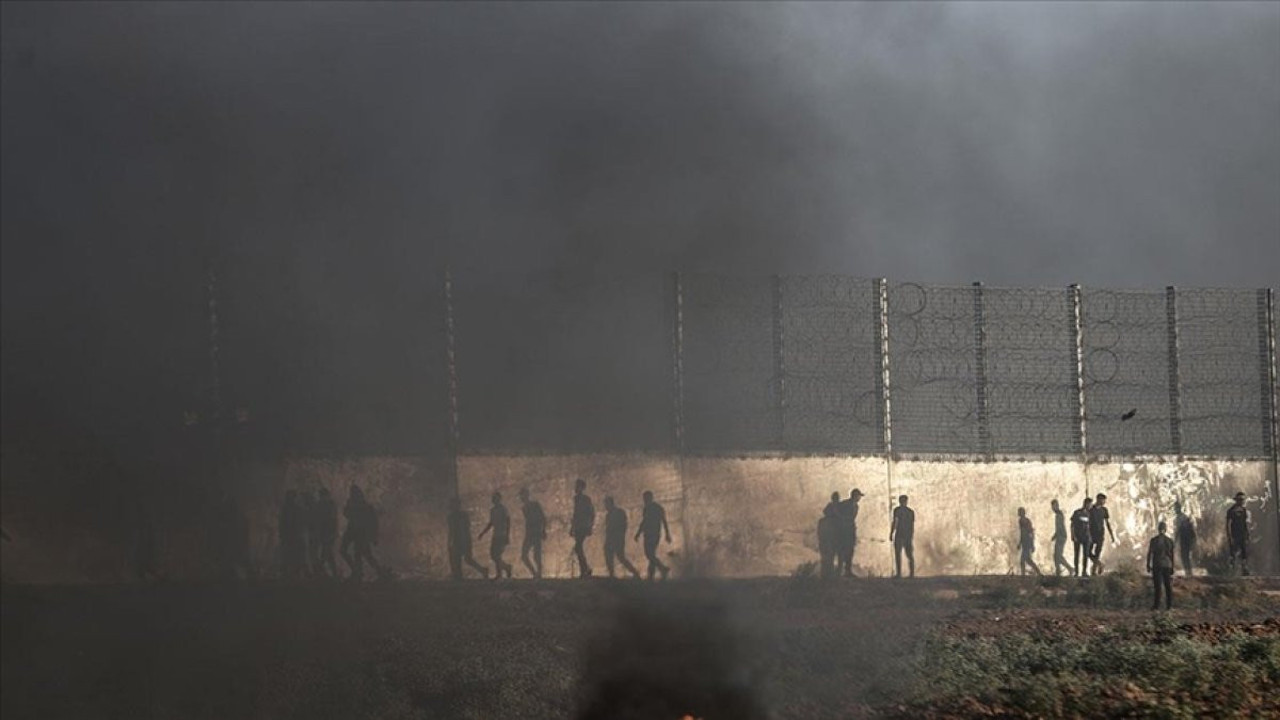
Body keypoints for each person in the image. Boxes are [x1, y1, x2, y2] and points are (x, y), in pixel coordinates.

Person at [340, 485, 388, 582]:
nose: (352, 495)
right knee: (346, 551)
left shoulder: (366, 506)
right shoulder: (353, 503)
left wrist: (374, 536)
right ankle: (360, 571)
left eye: (354, 493)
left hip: (361, 533)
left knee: (362, 554)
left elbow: (374, 522)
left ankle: (361, 573)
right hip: (353, 531)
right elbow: (346, 514)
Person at [447, 497, 489, 580]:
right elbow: (451, 530)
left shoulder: (462, 516)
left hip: (463, 539)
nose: (454, 506)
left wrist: (465, 541)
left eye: (455, 505)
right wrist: (449, 541)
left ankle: (482, 570)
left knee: (467, 559)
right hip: (458, 540)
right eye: (453, 505)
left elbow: (465, 528)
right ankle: (458, 576)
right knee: (457, 558)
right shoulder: (451, 517)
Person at [635, 490, 672, 581]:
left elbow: (663, 521)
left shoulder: (655, 508)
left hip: (653, 534)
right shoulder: (650, 508)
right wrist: (638, 533)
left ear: (650, 498)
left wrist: (667, 533)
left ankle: (662, 568)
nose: (645, 500)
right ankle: (652, 574)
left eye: (646, 498)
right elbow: (644, 522)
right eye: (644, 498)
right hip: (650, 534)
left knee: (649, 554)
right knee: (651, 554)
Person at [478, 491, 514, 580]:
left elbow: (508, 522)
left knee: (497, 555)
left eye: (496, 498)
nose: (494, 500)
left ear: (499, 499)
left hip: (502, 535)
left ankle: (500, 574)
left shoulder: (503, 509)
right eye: (493, 498)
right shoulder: (492, 510)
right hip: (496, 535)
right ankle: (506, 567)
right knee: (493, 555)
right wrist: (483, 533)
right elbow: (491, 523)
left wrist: (507, 535)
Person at [602, 496, 641, 579]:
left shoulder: (618, 512)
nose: (605, 506)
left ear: (611, 503)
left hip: (617, 538)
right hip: (611, 538)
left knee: (620, 557)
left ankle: (634, 572)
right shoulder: (609, 514)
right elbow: (608, 527)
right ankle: (612, 574)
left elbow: (623, 525)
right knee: (610, 555)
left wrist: (619, 536)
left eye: (606, 504)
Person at [1146, 521, 1175, 611]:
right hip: (1167, 565)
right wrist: (1172, 566)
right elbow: (1172, 555)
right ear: (1165, 529)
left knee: (1157, 586)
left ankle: (1156, 606)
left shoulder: (1154, 540)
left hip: (1157, 565)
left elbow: (1150, 553)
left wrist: (1148, 564)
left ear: (1158, 529)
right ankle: (1169, 606)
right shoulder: (1169, 541)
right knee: (1168, 586)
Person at [519, 487, 547, 579]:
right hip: (530, 533)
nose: (521, 498)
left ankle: (538, 574)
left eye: (522, 495)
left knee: (536, 555)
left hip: (536, 532)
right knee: (524, 555)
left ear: (527, 495)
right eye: (520, 496)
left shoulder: (535, 505)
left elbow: (542, 517)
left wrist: (543, 530)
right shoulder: (524, 508)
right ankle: (535, 573)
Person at [570, 479, 596, 578]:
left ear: (582, 488)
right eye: (576, 486)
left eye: (578, 486)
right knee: (578, 548)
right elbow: (575, 514)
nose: (576, 488)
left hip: (584, 526)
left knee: (578, 547)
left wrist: (590, 526)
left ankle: (585, 569)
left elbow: (591, 513)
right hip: (578, 526)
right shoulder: (576, 499)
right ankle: (584, 570)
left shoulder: (586, 499)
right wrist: (572, 527)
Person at [278, 490, 306, 579]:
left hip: (293, 535)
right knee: (288, 555)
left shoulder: (295, 509)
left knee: (294, 555)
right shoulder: (287, 509)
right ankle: (288, 572)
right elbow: (282, 523)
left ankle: (294, 572)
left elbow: (300, 522)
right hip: (289, 535)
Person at [313, 487, 339, 578]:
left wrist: (334, 532)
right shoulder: (321, 504)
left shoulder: (329, 504)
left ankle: (321, 571)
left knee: (326, 553)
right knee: (327, 554)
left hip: (328, 532)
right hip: (324, 533)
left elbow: (333, 520)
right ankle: (332, 573)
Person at [838, 488, 864, 577]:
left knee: (850, 550)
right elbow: (837, 514)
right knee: (842, 550)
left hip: (850, 530)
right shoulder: (844, 504)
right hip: (843, 530)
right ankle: (840, 570)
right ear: (855, 496)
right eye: (859, 496)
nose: (859, 498)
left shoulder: (856, 506)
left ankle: (847, 571)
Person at [1088, 493, 1115, 575]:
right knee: (1087, 552)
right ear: (1098, 499)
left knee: (1097, 553)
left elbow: (1107, 523)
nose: (1104, 502)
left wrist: (1112, 535)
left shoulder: (1104, 510)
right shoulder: (1091, 509)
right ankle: (1099, 564)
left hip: (1100, 534)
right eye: (1102, 500)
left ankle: (1094, 571)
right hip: (1091, 534)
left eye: (1104, 500)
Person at [890, 495, 915, 579]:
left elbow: (895, 522)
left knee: (899, 554)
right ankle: (911, 573)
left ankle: (899, 573)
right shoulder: (910, 512)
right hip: (906, 534)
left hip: (900, 534)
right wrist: (911, 535)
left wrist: (891, 533)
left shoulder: (897, 510)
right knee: (909, 554)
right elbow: (912, 526)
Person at [1226, 491, 1250, 576]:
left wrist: (1247, 534)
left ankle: (1244, 569)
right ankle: (1231, 570)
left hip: (1242, 534)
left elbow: (1245, 523)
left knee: (1244, 552)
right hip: (1234, 535)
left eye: (1242, 500)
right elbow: (1228, 524)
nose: (1241, 501)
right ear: (1236, 500)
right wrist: (1229, 536)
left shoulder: (1244, 510)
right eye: (1240, 500)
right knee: (1233, 553)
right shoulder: (1231, 511)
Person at [1016, 507, 1042, 576]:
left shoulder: (1027, 521)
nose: (1018, 513)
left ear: (1023, 513)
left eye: (1019, 512)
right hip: (1024, 543)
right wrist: (1020, 543)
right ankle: (1039, 573)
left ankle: (1023, 575)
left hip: (1028, 542)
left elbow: (1031, 533)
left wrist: (1032, 545)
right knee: (1028, 560)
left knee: (1022, 560)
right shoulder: (1020, 521)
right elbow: (1022, 533)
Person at [1070, 497, 1092, 577]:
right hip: (1078, 536)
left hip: (1086, 537)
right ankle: (1076, 572)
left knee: (1085, 555)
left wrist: (1090, 537)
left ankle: (1084, 571)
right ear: (1086, 504)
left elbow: (1089, 526)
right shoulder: (1077, 513)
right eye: (1089, 504)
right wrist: (1073, 535)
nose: (1090, 506)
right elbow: (1072, 525)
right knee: (1077, 555)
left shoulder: (1089, 514)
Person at [1173, 500, 1196, 578]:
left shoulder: (1180, 518)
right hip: (1186, 539)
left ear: (1178, 508)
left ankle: (1188, 572)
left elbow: (1178, 530)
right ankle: (1188, 572)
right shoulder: (1183, 517)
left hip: (1184, 538)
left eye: (1176, 508)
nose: (1175, 510)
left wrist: (1175, 541)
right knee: (1185, 556)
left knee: (1184, 556)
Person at [1050, 499, 1072, 576]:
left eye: (1054, 506)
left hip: (1061, 536)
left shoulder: (1059, 514)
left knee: (1057, 555)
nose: (1052, 508)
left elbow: (1059, 527)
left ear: (1057, 506)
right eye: (1052, 506)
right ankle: (1060, 570)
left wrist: (1055, 535)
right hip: (1061, 536)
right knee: (1057, 555)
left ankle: (1066, 569)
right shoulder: (1058, 514)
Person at [817, 504, 838, 579]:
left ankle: (826, 576)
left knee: (827, 559)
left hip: (826, 543)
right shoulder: (831, 522)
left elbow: (819, 533)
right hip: (827, 543)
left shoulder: (822, 521)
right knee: (827, 559)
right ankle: (827, 576)